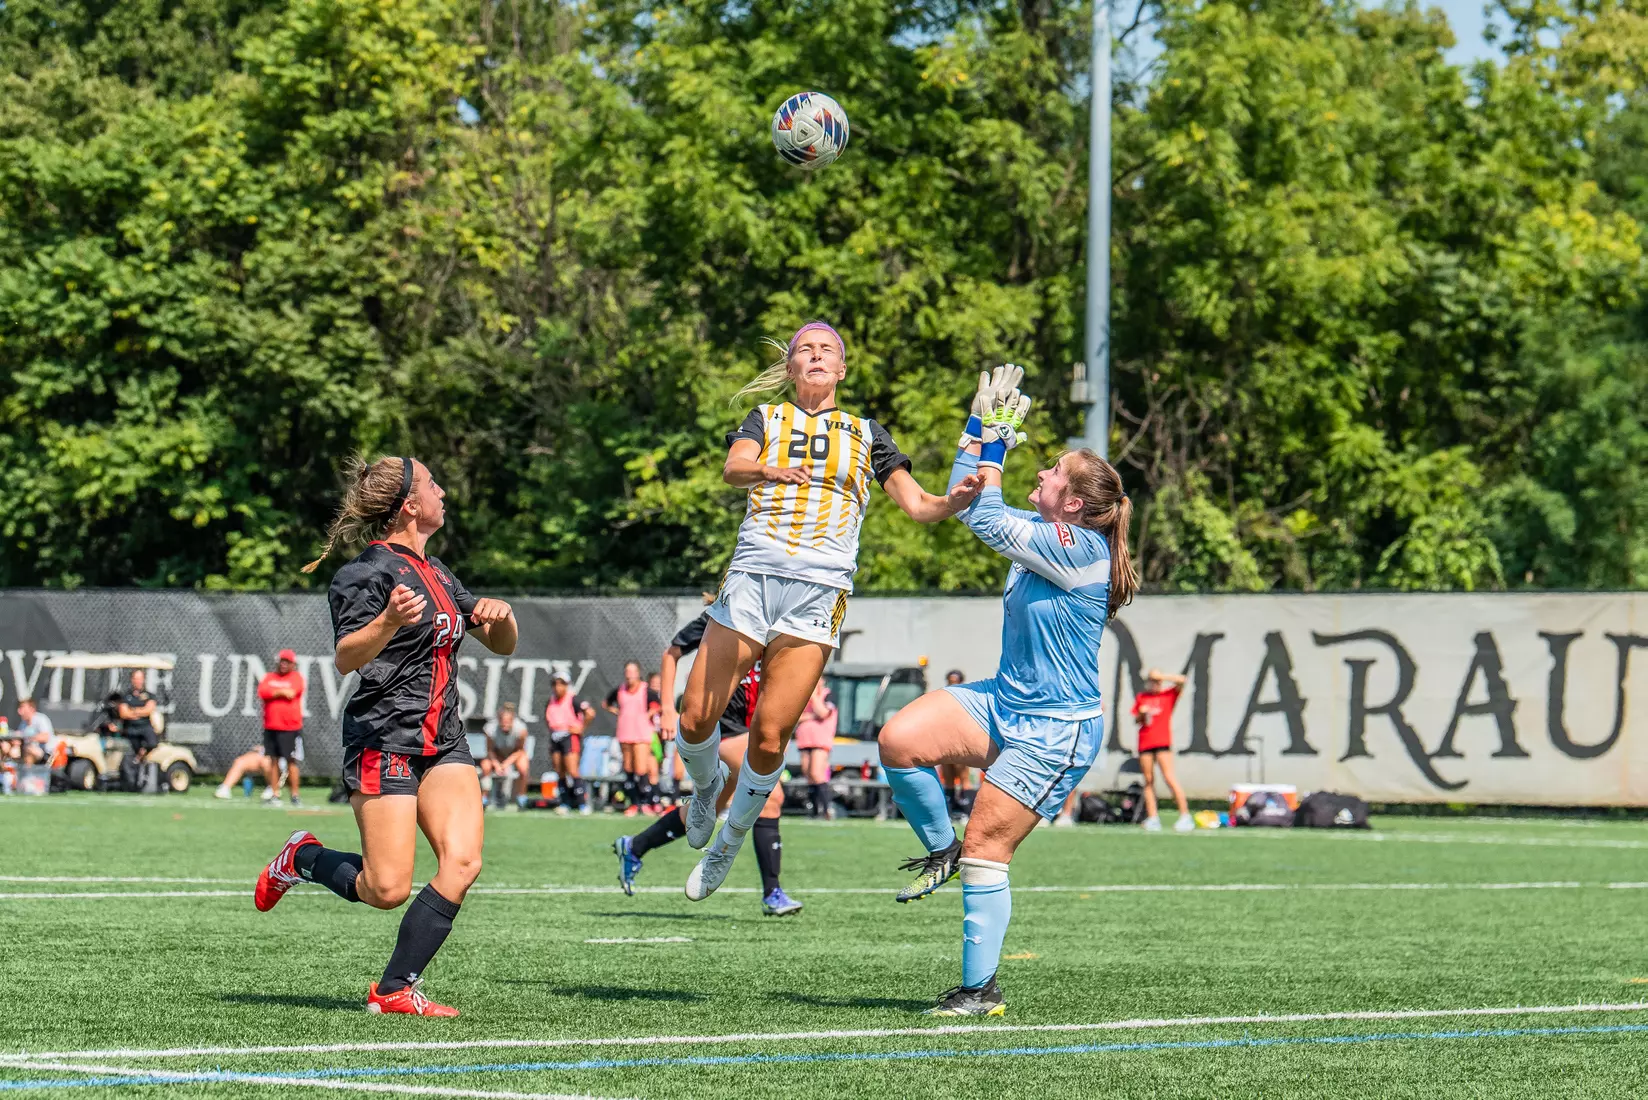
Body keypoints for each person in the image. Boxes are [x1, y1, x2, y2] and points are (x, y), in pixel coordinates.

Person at [676, 321, 979, 901]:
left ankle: (730, 840)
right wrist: (766, 468)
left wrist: (954, 500)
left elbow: (918, 505)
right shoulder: (768, 420)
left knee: (769, 736)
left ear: (841, 369)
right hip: (753, 577)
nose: (815, 357)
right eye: (804, 351)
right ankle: (707, 783)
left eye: (827, 351)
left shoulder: (867, 433)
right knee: (694, 719)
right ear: (791, 369)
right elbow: (733, 468)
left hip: (818, 591)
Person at [876, 366, 1137, 1016]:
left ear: (1073, 503)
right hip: (1006, 702)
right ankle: (941, 845)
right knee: (899, 739)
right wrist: (975, 429)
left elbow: (988, 519)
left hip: (1054, 730)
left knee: (989, 849)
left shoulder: (1078, 548)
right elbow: (971, 506)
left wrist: (996, 443)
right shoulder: (1053, 535)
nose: (1042, 473)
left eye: (1053, 470)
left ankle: (979, 988)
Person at [253, 455, 518, 1017]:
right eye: (431, 483)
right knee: (386, 889)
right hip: (385, 738)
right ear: (409, 505)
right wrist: (389, 621)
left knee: (464, 862)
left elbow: (501, 643)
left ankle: (395, 989)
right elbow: (348, 656)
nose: (442, 490)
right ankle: (303, 858)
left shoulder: (440, 572)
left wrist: (503, 614)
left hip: (444, 739)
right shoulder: (363, 574)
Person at [614, 606, 801, 916]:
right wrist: (668, 709)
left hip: (749, 726)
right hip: (722, 725)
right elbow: (671, 654)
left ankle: (635, 846)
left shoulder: (781, 620)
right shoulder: (724, 614)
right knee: (771, 797)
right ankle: (772, 893)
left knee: (709, 810)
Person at [1134, 668, 1193, 832]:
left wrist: (1163, 676)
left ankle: (1185, 815)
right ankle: (1153, 817)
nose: (1156, 684)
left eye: (1158, 681)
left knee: (1169, 777)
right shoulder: (1142, 697)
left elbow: (1182, 680)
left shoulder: (1167, 695)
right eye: (1153, 681)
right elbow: (1138, 720)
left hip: (1162, 742)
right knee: (1148, 780)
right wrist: (1141, 713)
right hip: (1145, 742)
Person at [604, 661, 661, 817]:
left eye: (632, 671)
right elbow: (606, 703)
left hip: (642, 734)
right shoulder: (620, 690)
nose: (630, 675)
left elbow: (656, 706)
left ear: (638, 673)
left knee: (642, 769)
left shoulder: (646, 690)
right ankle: (634, 803)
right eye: (627, 671)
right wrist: (619, 712)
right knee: (628, 768)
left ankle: (646, 803)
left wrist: (644, 717)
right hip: (625, 732)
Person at [255, 649, 306, 806]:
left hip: (289, 728)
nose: (284, 664)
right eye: (282, 661)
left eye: (287, 661)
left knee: (291, 761)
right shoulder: (269, 677)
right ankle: (275, 794)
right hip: (271, 726)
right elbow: (262, 691)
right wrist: (280, 692)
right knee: (273, 761)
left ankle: (295, 795)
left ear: (293, 664)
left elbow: (291, 692)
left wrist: (274, 692)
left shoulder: (296, 678)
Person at [543, 675, 596, 815]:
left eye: (561, 684)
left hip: (569, 736)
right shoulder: (551, 701)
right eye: (555, 684)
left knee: (572, 770)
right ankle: (565, 801)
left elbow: (590, 713)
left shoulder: (573, 699)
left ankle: (582, 803)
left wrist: (581, 728)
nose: (558, 687)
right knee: (560, 770)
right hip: (555, 736)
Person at [793, 680, 837, 818]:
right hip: (804, 741)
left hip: (820, 741)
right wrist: (812, 716)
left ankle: (826, 810)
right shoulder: (801, 696)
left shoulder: (828, 696)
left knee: (817, 774)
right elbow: (795, 716)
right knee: (809, 775)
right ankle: (814, 811)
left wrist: (813, 697)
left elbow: (823, 713)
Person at [480, 703, 531, 809]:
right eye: (503, 722)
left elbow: (520, 750)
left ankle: (521, 797)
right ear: (499, 720)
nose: (505, 725)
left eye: (508, 722)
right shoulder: (490, 729)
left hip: (514, 753)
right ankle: (483, 798)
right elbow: (489, 750)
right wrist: (497, 765)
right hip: (497, 754)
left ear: (513, 720)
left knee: (523, 768)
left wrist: (505, 764)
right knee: (485, 766)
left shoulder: (521, 729)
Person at [939, 670, 973, 818]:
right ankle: (951, 808)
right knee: (948, 776)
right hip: (946, 740)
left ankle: (967, 810)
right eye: (950, 682)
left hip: (960, 740)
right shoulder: (942, 698)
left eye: (955, 682)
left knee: (963, 774)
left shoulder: (966, 699)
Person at [118, 670, 159, 788]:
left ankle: (140, 756)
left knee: (152, 743)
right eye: (136, 678)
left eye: (140, 678)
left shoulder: (149, 695)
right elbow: (123, 713)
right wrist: (139, 711)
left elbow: (148, 710)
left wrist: (134, 711)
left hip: (145, 726)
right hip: (131, 728)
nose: (138, 681)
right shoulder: (126, 696)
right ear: (132, 680)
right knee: (131, 750)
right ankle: (133, 781)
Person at [15, 698, 55, 766]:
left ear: (31, 709)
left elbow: (45, 737)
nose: (19, 711)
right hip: (28, 751)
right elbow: (19, 738)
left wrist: (26, 737)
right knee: (11, 750)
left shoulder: (41, 719)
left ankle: (28, 774)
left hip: (47, 754)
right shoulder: (23, 723)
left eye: (22, 708)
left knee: (28, 749)